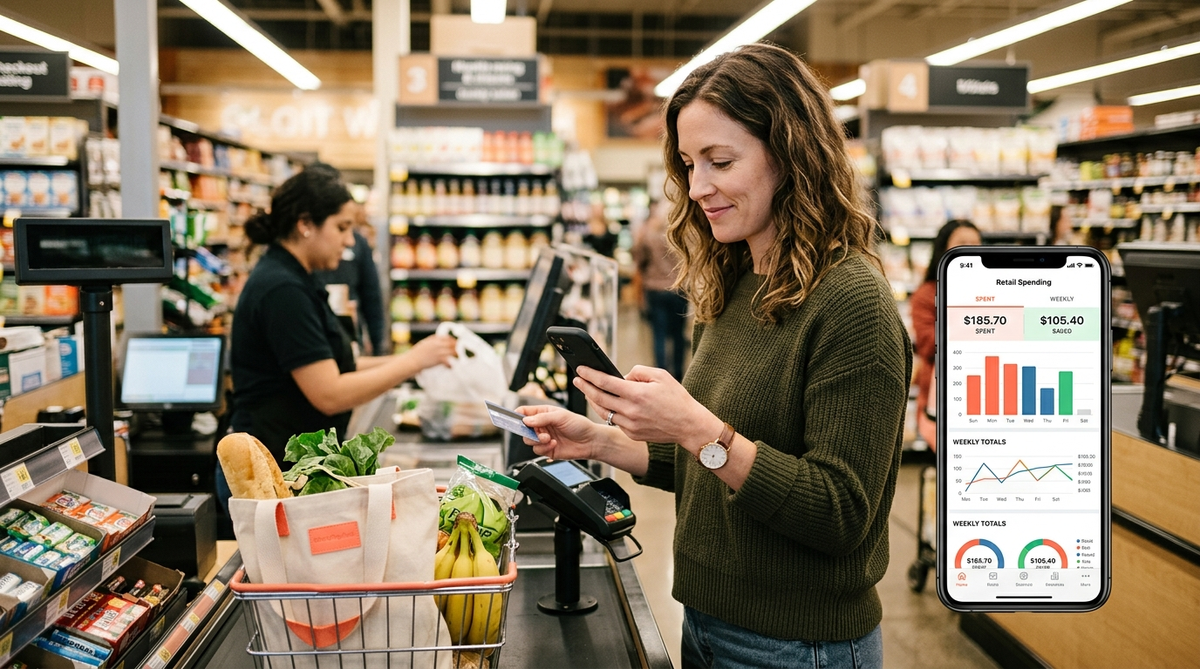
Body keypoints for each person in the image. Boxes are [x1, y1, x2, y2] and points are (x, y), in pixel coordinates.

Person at [518, 44, 910, 668]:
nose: (698, 188)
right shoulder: (735, 283)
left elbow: (841, 513)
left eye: (719, 161)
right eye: (689, 164)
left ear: (790, 155)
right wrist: (600, 442)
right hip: (704, 620)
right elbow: (714, 467)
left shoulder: (851, 302)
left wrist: (696, 425)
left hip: (795, 644)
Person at [220, 167, 456, 506]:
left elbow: (334, 362)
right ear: (305, 224)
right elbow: (328, 393)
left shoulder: (298, 276)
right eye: (342, 227)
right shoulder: (282, 290)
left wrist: (418, 356)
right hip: (268, 480)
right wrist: (411, 362)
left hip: (291, 471)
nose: (349, 241)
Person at [911, 220, 981, 449]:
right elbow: (928, 345)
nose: (970, 249)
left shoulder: (994, 289)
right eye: (962, 243)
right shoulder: (926, 294)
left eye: (975, 244)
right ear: (943, 250)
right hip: (942, 401)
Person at [314, 202, 387, 355]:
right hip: (318, 340)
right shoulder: (291, 281)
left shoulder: (359, 244)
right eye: (341, 228)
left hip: (349, 338)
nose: (349, 241)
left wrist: (377, 346)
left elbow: (372, 297)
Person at [632, 200, 688, 379]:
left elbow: (638, 259)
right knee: (678, 335)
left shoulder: (649, 235)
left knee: (659, 334)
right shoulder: (681, 234)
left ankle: (660, 375)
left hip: (655, 289)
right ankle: (678, 374)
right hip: (679, 289)